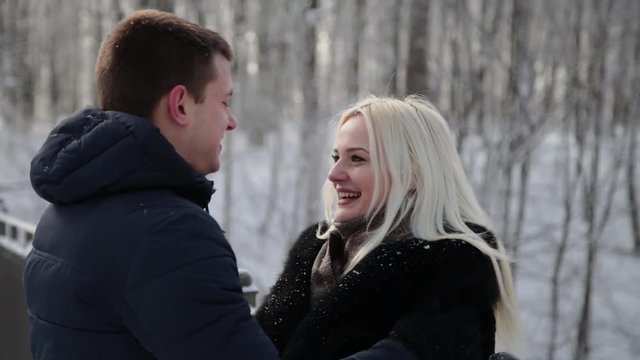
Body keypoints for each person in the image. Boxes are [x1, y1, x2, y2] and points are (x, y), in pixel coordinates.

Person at [24, 9, 424, 360]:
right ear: (180, 105)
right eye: (224, 101)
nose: (231, 121)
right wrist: (408, 348)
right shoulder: (168, 236)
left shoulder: (67, 208)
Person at [256, 95, 522, 359]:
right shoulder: (316, 252)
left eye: (357, 159)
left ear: (414, 172)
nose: (334, 174)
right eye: (336, 157)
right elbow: (254, 344)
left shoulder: (453, 265)